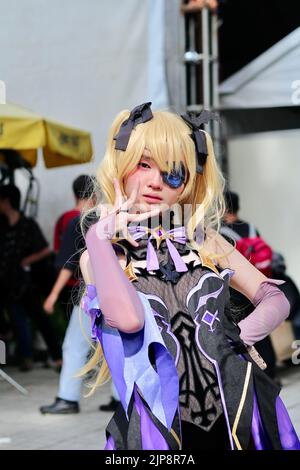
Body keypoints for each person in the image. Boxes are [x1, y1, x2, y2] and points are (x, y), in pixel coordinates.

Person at [79, 102, 300, 450]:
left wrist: (239, 336)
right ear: (121, 164)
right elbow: (129, 320)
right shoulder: (101, 254)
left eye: (173, 171)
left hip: (239, 407)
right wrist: (98, 235)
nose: (155, 182)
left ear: (189, 179)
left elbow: (278, 296)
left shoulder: (205, 239)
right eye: (143, 164)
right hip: (158, 427)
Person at [40, 175, 96, 414]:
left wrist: (52, 296)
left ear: (74, 193)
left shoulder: (72, 220)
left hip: (88, 292)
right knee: (119, 347)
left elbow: (66, 263)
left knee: (74, 345)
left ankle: (68, 397)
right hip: (121, 290)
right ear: (94, 194)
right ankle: (119, 399)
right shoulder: (110, 217)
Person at [0, 185, 62, 371]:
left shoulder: (28, 225)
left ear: (7, 201)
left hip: (27, 283)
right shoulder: (1, 226)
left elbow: (45, 250)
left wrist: (27, 259)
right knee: (18, 321)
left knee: (40, 319)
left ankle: (58, 357)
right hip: (6, 283)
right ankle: (25, 357)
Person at [220, 190, 278, 381]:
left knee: (243, 331)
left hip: (236, 291)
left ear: (222, 207)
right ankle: (271, 371)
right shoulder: (251, 228)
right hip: (258, 284)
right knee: (262, 329)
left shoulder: (219, 233)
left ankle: (256, 375)